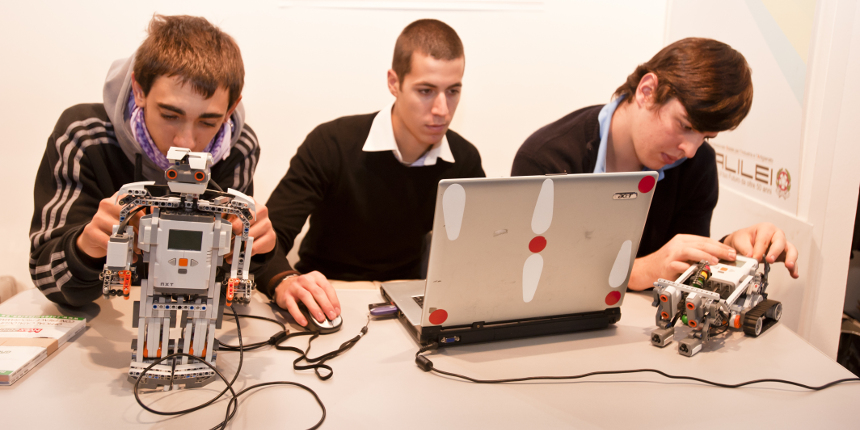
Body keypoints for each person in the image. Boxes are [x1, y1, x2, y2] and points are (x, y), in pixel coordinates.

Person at [29, 15, 285, 306]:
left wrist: (254, 250)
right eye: (170, 116)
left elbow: (226, 280)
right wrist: (84, 249)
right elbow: (46, 275)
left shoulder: (238, 147)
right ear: (139, 90)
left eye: (208, 122)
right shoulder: (85, 134)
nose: (186, 142)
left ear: (231, 109)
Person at [512, 37, 799, 291]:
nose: (689, 149)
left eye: (706, 138)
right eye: (685, 125)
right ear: (647, 91)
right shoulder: (546, 158)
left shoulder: (697, 165)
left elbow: (685, 274)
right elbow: (530, 275)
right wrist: (639, 272)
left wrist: (730, 248)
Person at [265, 19, 485, 326]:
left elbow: (483, 249)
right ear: (394, 82)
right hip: (326, 298)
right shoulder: (332, 143)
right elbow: (269, 236)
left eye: (453, 91)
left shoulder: (463, 160)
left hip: (405, 303)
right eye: (426, 90)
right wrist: (284, 279)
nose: (442, 109)